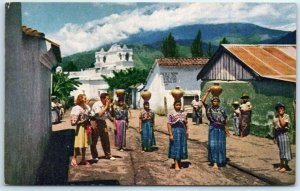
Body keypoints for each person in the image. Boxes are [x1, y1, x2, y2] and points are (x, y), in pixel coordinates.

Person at [202, 88, 229, 171]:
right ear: (212, 102)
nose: (215, 102)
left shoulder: (222, 109)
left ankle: (220, 160)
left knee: (220, 145)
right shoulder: (209, 108)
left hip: (221, 129)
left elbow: (226, 120)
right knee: (213, 145)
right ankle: (214, 162)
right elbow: (202, 101)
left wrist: (227, 130)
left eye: (217, 101)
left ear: (219, 102)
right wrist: (207, 92)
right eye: (214, 101)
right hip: (213, 128)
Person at [91, 93, 116, 161]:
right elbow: (99, 114)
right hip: (95, 122)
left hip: (103, 122)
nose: (109, 100)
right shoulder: (97, 104)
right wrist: (106, 106)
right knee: (94, 140)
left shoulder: (107, 105)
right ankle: (95, 156)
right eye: (107, 98)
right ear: (102, 99)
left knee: (106, 139)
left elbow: (112, 116)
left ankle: (108, 155)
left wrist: (112, 107)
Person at [70, 94, 92, 167]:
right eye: (83, 98)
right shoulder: (76, 108)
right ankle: (74, 159)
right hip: (80, 127)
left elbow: (90, 114)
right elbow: (73, 121)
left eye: (85, 98)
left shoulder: (87, 107)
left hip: (86, 126)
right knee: (78, 144)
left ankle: (83, 159)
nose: (85, 99)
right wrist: (80, 119)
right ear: (80, 99)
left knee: (84, 144)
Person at [167, 100, 188, 171]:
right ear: (174, 105)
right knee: (175, 146)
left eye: (179, 105)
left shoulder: (184, 113)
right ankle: (176, 164)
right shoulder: (171, 113)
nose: (178, 106)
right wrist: (170, 134)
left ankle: (179, 162)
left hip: (182, 131)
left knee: (181, 146)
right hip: (175, 131)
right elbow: (169, 124)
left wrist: (187, 131)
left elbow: (186, 123)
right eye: (177, 105)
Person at [273, 102, 292, 173]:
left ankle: (285, 166)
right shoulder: (275, 117)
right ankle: (281, 165)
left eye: (281, 108)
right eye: (278, 108)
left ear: (284, 109)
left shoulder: (286, 116)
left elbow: (283, 124)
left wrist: (280, 116)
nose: (280, 109)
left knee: (285, 151)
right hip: (278, 135)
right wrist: (274, 137)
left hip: (284, 134)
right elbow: (275, 128)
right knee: (281, 151)